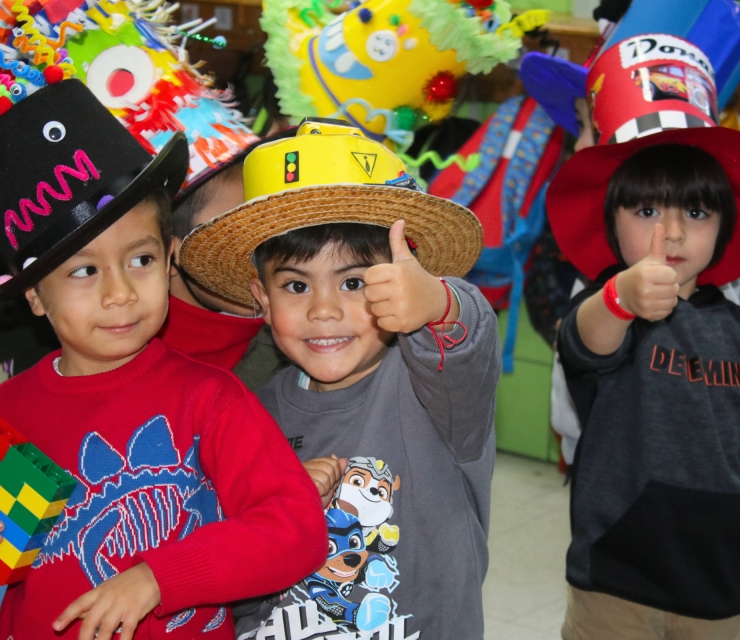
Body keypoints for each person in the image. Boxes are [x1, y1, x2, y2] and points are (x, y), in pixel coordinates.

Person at [0, 80, 326, 640]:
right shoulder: (10, 411)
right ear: (35, 295)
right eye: (84, 270)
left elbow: (295, 529)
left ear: (171, 258)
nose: (120, 293)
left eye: (142, 259)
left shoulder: (210, 399)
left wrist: (159, 576)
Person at [178, 118, 500, 640]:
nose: (324, 311)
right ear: (262, 300)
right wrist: (274, 512)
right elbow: (234, 567)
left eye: (354, 282)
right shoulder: (247, 413)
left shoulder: (433, 389)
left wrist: (437, 303)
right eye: (296, 286)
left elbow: (465, 338)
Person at [546, 127, 740, 639]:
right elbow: (582, 343)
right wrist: (621, 298)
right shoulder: (606, 309)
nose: (673, 233)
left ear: (724, 227)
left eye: (696, 213)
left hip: (718, 588)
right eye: (646, 213)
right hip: (614, 583)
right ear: (611, 224)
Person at [161, 128, 297, 388]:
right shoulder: (123, 355)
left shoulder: (299, 340)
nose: (264, 246)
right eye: (233, 231)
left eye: (271, 223)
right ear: (169, 253)